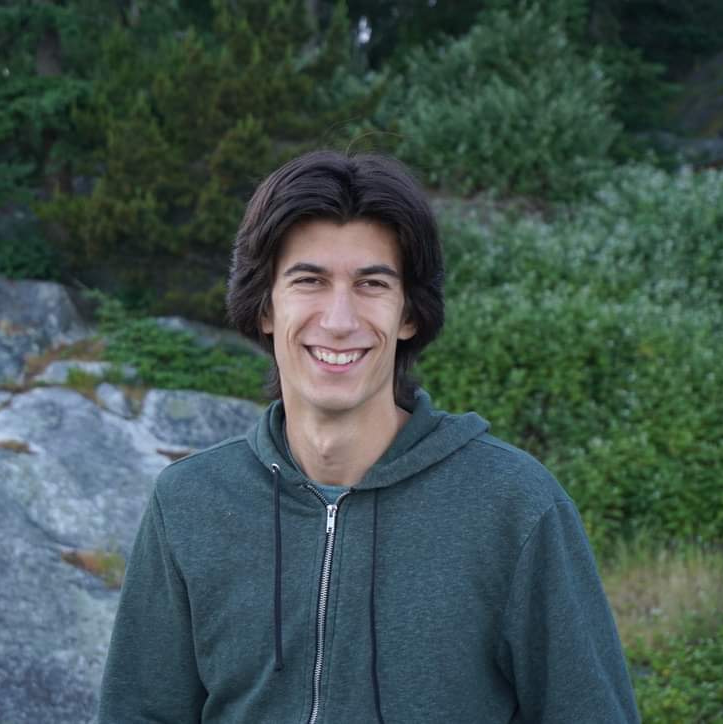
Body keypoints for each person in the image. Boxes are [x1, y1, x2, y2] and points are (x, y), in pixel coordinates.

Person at [98, 151, 640, 723]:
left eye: (371, 284)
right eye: (309, 281)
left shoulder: (515, 506)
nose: (339, 320)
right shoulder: (189, 502)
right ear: (265, 308)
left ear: (409, 314)